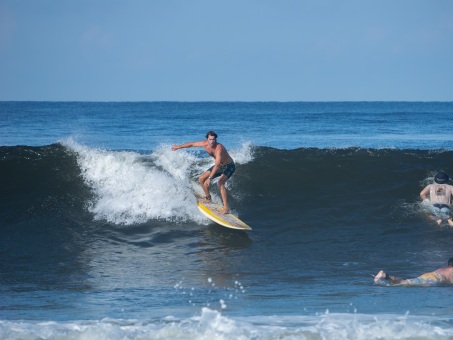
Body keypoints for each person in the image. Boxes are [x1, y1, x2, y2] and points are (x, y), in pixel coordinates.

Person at [172, 131, 235, 214]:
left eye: (213, 139)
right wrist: (179, 147)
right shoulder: (204, 144)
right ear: (207, 139)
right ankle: (208, 199)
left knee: (220, 182)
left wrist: (210, 178)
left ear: (216, 139)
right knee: (201, 179)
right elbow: (192, 144)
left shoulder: (219, 148)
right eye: (210, 139)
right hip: (220, 166)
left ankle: (226, 208)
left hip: (229, 166)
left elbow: (216, 165)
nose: (212, 141)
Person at [374, 258, 453, 286]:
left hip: (429, 275)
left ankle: (386, 276)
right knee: (405, 283)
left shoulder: (443, 268)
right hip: (434, 279)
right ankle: (384, 275)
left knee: (403, 282)